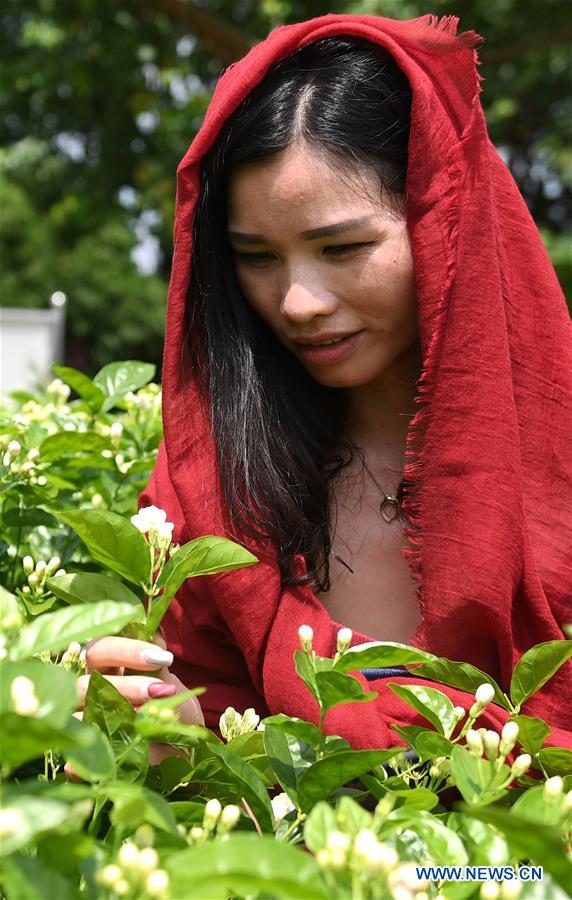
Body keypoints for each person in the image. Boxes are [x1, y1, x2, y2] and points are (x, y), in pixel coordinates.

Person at [77, 12, 572, 755]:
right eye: (257, 256)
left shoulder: (553, 488)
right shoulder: (215, 482)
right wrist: (154, 728)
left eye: (342, 247)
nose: (298, 301)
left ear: (444, 226)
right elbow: (206, 741)